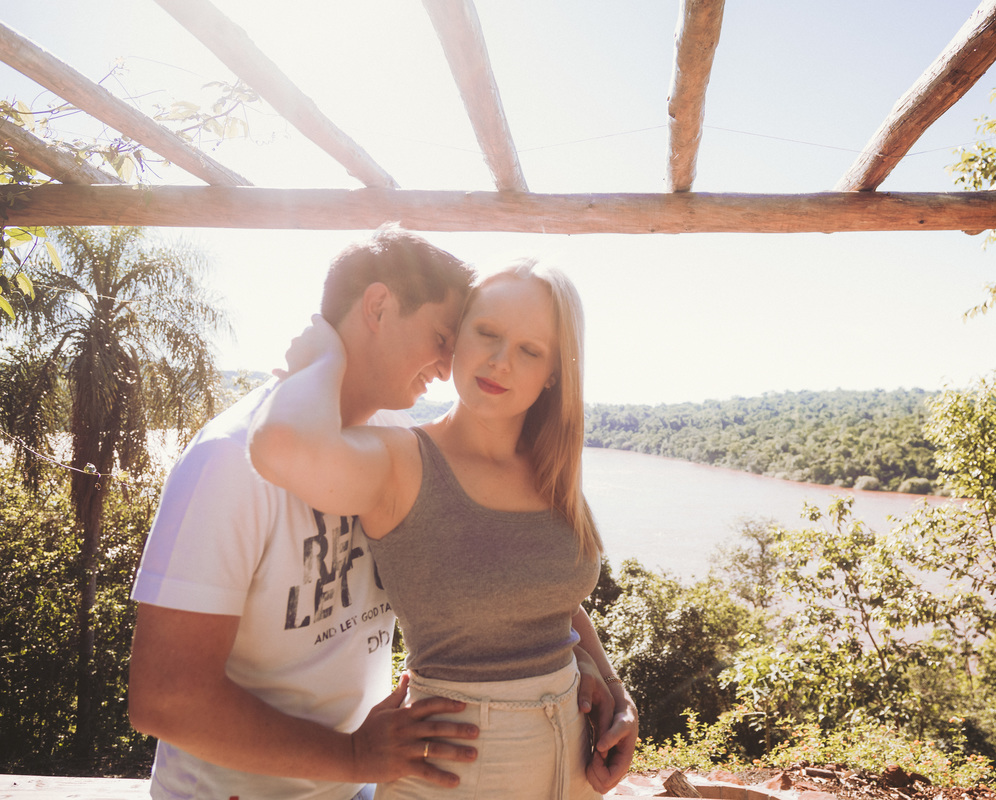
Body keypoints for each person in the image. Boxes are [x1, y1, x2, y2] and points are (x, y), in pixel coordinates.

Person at [128, 227, 617, 800]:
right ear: (379, 306)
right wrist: (354, 754)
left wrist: (600, 674)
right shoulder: (228, 461)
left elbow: (518, 572)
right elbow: (165, 698)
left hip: (354, 786)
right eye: (448, 334)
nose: (448, 361)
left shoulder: (389, 439)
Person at [248, 258, 639, 799]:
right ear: (456, 339)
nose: (500, 362)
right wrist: (321, 354)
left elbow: (556, 601)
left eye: (529, 350)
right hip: (456, 770)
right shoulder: (402, 460)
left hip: (573, 761)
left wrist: (614, 688)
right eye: (487, 333)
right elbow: (280, 448)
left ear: (553, 372)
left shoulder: (550, 470)